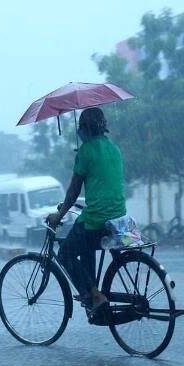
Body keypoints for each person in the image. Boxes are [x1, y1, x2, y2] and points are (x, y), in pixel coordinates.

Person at [46, 107, 127, 319]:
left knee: (66, 252)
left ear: (84, 129)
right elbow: (105, 183)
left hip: (98, 220)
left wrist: (58, 216)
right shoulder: (114, 149)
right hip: (119, 218)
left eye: (81, 127)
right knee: (82, 237)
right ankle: (93, 293)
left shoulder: (86, 152)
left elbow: (73, 192)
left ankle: (94, 295)